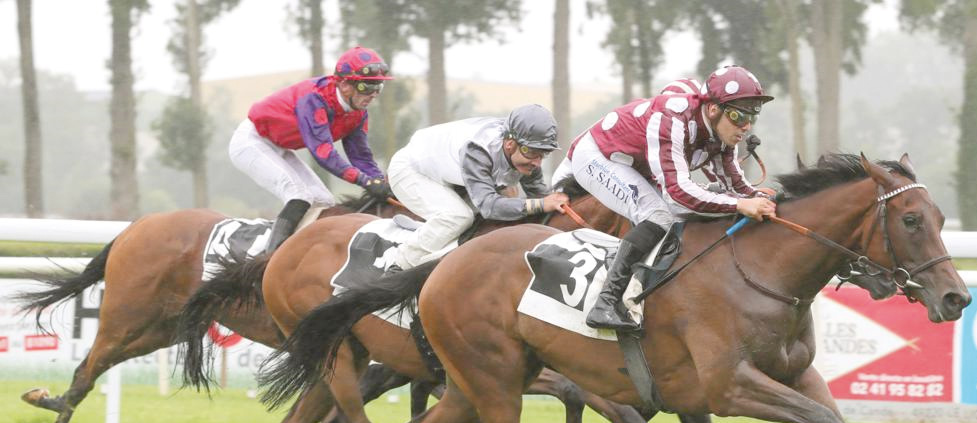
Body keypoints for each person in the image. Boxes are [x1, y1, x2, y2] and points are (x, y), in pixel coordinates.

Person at [557, 65, 778, 331]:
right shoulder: (672, 119)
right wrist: (742, 204)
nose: (746, 126)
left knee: (682, 211)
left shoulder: (722, 134)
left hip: (633, 164)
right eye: (738, 116)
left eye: (752, 116)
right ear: (713, 109)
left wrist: (762, 199)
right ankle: (605, 302)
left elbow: (736, 184)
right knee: (658, 214)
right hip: (597, 156)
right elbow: (679, 193)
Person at [229, 46, 394, 252]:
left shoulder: (358, 113)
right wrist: (365, 181)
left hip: (279, 146)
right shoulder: (314, 99)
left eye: (378, 87)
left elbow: (360, 156)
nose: (373, 94)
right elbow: (323, 153)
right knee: (299, 194)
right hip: (251, 142)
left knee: (324, 200)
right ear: (344, 85)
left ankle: (302, 253)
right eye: (366, 87)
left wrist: (380, 182)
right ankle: (268, 259)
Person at [385, 104, 570, 271]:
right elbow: (490, 207)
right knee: (458, 216)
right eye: (531, 152)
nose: (537, 162)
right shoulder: (478, 150)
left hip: (452, 176)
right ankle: (397, 266)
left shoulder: (527, 156)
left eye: (544, 153)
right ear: (510, 143)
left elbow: (540, 197)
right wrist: (539, 204)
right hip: (411, 170)